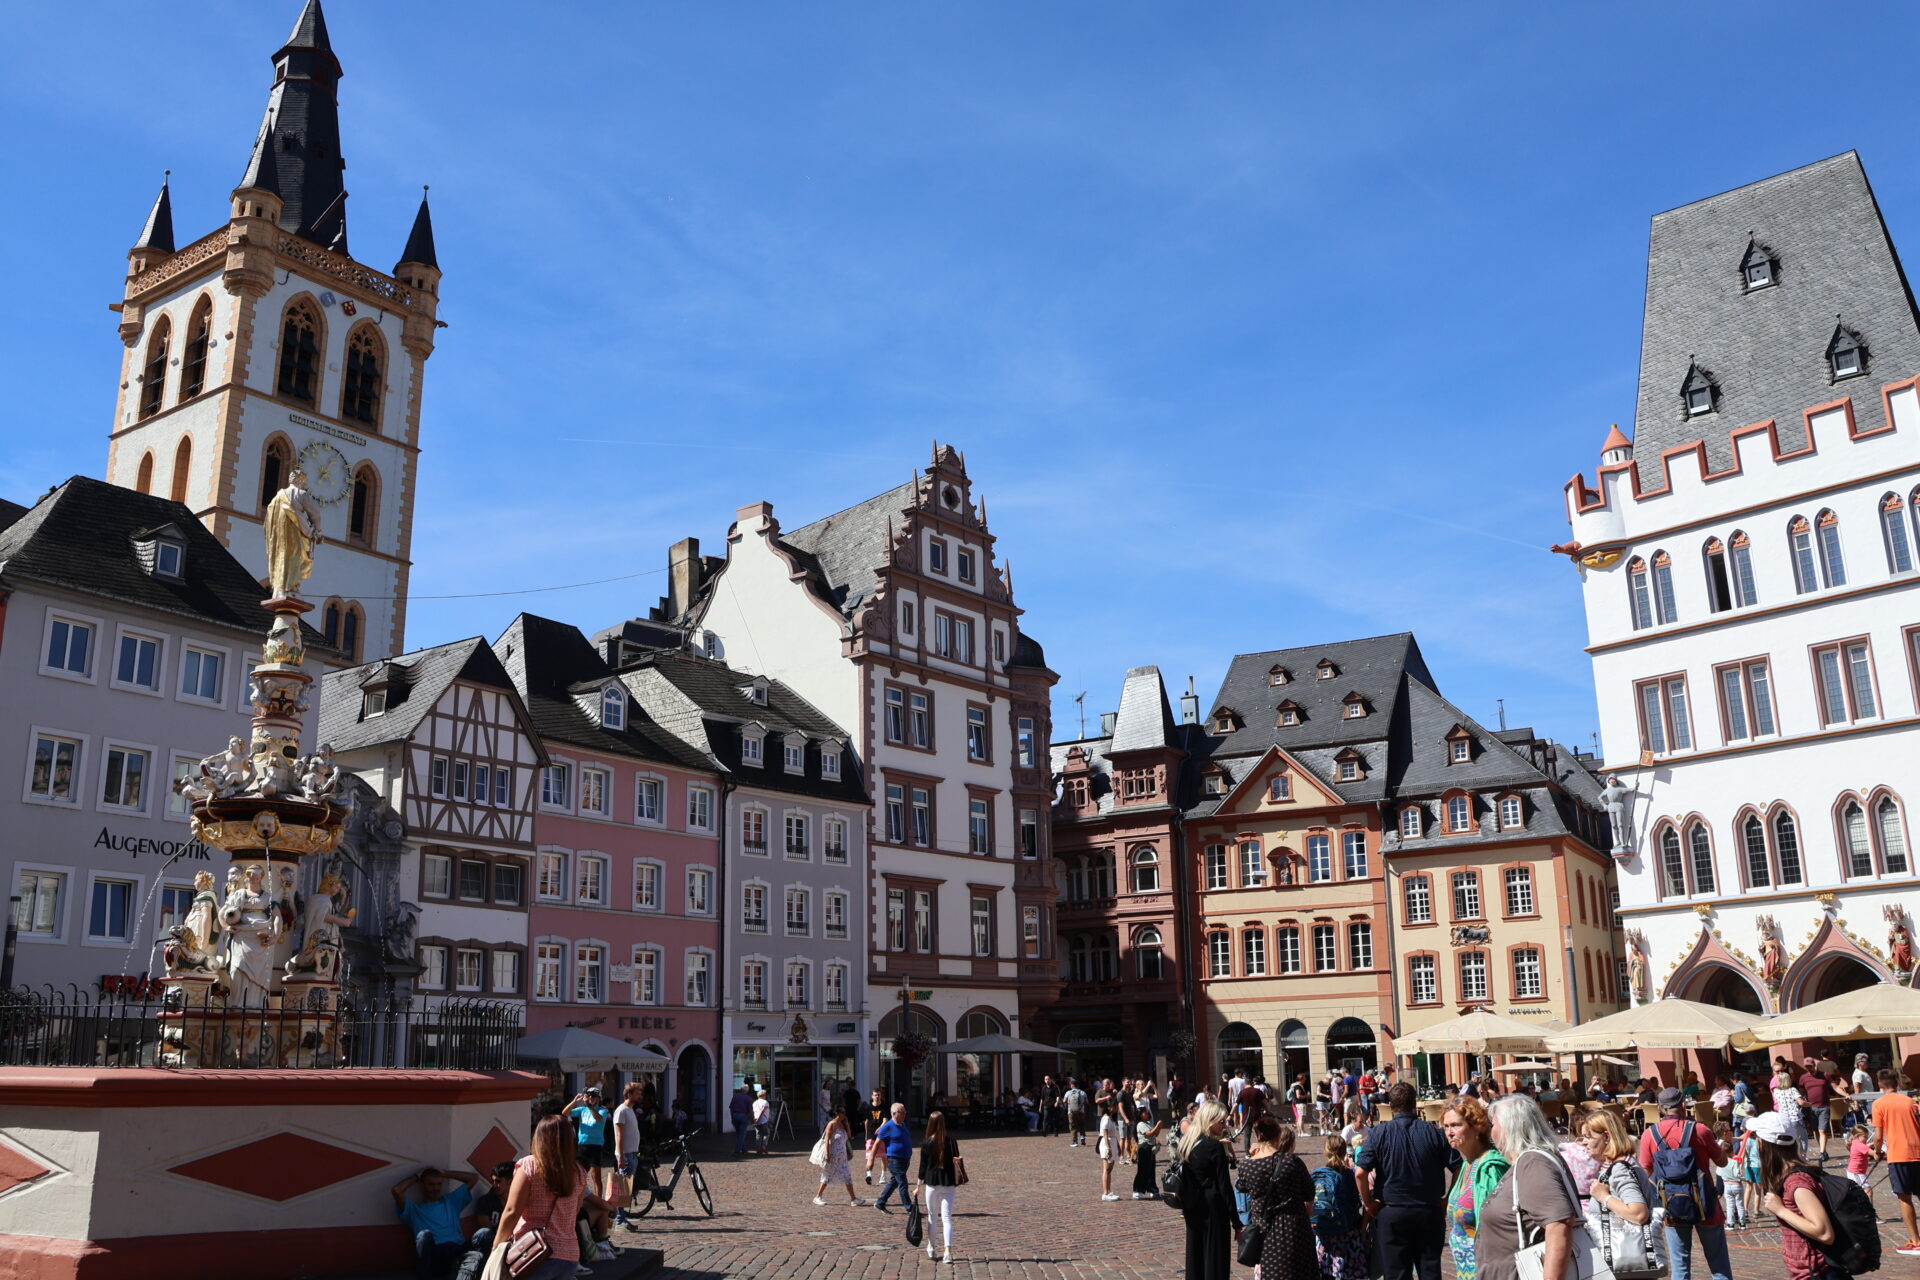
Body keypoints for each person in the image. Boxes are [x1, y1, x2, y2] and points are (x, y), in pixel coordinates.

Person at [1474, 1095, 1585, 1280]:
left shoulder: (1533, 1163)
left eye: (1494, 1125)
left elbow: (1559, 1224)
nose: (1491, 1131)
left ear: (1510, 1127)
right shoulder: (1527, 1162)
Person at [1356, 1081, 1456, 1280]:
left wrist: (1368, 1203)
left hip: (1392, 1211)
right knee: (1430, 1271)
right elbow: (1459, 1166)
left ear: (1391, 1107)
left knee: (1396, 1273)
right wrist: (1448, 1197)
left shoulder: (1378, 1134)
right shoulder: (1434, 1133)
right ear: (1415, 1105)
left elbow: (1360, 1172)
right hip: (1428, 1210)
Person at [1637, 1085, 1731, 1280]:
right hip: (1705, 1203)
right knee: (1718, 1264)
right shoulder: (1700, 1130)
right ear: (1683, 1105)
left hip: (1672, 1203)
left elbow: (1645, 1171)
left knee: (1680, 1266)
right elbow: (1722, 1161)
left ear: (1661, 1108)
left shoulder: (1649, 1134)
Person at [485, 1116, 590, 1280]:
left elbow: (512, 1211)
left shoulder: (529, 1166)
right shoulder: (579, 1172)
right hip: (569, 1254)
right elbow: (573, 1214)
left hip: (533, 1253)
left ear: (539, 1137)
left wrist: (496, 1248)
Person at [1746, 1111, 1839, 1280]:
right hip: (1807, 1272)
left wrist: (1781, 1210)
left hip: (1817, 1272)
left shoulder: (1796, 1182)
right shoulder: (1787, 1177)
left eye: (1755, 1138)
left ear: (1762, 1143)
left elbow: (1825, 1233)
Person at [1236, 1116, 1316, 1280]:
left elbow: (1241, 1186)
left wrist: (1251, 1156)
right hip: (1294, 1225)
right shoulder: (1291, 1162)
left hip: (1265, 1229)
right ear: (1278, 1136)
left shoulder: (1247, 1166)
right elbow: (1308, 1191)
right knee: (1301, 1272)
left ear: (1258, 1137)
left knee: (1273, 1273)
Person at [1583, 1108, 1661, 1274]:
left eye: (1588, 1137)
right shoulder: (1622, 1163)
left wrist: (1604, 1197)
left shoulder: (1620, 1169)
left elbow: (1639, 1213)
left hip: (1625, 1260)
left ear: (1606, 1137)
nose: (1584, 1142)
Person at [1442, 1097, 1510, 1280]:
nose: (1449, 1132)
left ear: (1476, 1126)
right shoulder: (1467, 1164)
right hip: (1466, 1271)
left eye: (1455, 1125)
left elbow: (1500, 1226)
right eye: (1446, 1126)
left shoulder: (1490, 1167)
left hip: (1487, 1271)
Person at [1178, 1101, 1241, 1280]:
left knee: (1195, 1254)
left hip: (1192, 1205)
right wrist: (1236, 1222)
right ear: (1210, 1120)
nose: (1224, 1126)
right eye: (1221, 1122)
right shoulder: (1214, 1147)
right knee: (1216, 1258)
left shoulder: (1188, 1142)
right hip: (1213, 1208)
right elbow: (1225, 1187)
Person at [391, 1165, 483, 1280]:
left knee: (484, 1233)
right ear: (422, 1185)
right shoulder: (414, 1210)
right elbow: (396, 1190)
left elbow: (473, 1178)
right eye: (431, 1184)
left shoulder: (451, 1201)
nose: (435, 1188)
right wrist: (417, 1176)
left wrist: (445, 1173)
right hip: (435, 1255)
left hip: (456, 1251)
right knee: (424, 1235)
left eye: (439, 1184)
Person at [1871, 1067, 1920, 1255]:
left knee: (1904, 1196)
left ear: (1880, 1084)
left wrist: (1877, 1151)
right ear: (1897, 1083)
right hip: (1917, 1150)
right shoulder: (1910, 1101)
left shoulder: (1879, 1104)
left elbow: (1877, 1136)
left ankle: (1915, 1240)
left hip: (1899, 1154)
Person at [1313, 1133, 1370, 1278]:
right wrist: (1363, 1230)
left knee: (1325, 1274)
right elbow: (1365, 1203)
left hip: (1324, 1234)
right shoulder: (1351, 1175)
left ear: (1325, 1151)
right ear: (1345, 1151)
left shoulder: (1317, 1175)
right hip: (1349, 1234)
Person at [918, 1110, 963, 1264]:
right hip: (948, 1182)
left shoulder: (926, 1143)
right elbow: (957, 1161)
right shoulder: (951, 1141)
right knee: (947, 1218)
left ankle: (931, 1247)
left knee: (932, 1217)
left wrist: (917, 1186)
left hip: (931, 1183)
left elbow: (922, 1168)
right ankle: (948, 1252)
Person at [567, 1087, 613, 1198]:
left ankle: (598, 1200)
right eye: (589, 1096)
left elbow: (599, 1119)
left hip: (595, 1146)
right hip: (582, 1146)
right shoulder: (582, 1110)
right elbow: (565, 1112)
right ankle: (579, 1199)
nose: (591, 1098)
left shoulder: (603, 1110)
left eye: (594, 1096)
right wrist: (575, 1101)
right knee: (579, 1176)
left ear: (598, 1098)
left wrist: (589, 1106)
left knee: (596, 1176)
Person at [812, 1108, 864, 1206]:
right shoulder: (832, 1124)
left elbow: (849, 1136)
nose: (845, 1114)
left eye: (845, 1112)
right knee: (826, 1177)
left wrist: (847, 1124)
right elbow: (827, 1139)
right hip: (833, 1156)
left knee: (847, 1176)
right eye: (843, 1113)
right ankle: (817, 1197)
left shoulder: (842, 1124)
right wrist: (827, 1154)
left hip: (842, 1158)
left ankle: (853, 1199)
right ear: (837, 1114)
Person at [610, 1082, 644, 1230]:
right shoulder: (621, 1111)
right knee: (623, 1189)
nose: (640, 1096)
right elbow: (619, 1135)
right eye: (637, 1093)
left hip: (632, 1154)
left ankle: (621, 1218)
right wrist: (621, 1156)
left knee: (625, 1189)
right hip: (626, 1154)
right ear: (629, 1095)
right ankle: (619, 1220)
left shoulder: (630, 1110)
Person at [872, 1102, 914, 1212]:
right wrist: (870, 1160)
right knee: (903, 1183)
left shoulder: (903, 1124)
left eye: (905, 1112)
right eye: (902, 1112)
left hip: (904, 1159)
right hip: (894, 1160)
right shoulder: (887, 1127)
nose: (905, 1114)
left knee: (894, 1182)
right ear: (894, 1113)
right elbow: (876, 1144)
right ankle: (909, 1207)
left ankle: (880, 1202)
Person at [1712, 1121, 1747, 1228]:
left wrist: (1749, 1130)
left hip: (1730, 1173)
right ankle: (1714, 1211)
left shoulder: (1730, 1140)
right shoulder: (1719, 1144)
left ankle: (1735, 1215)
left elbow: (1741, 1138)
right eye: (1730, 1131)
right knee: (1719, 1193)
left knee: (1731, 1196)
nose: (1732, 1132)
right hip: (1722, 1174)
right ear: (1724, 1133)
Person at [1797, 1059, 1833, 1158]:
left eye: (1810, 1066)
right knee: (1816, 1130)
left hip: (1824, 1107)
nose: (1808, 1068)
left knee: (1822, 1130)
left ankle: (1822, 1152)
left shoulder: (1825, 1075)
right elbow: (1801, 1092)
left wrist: (1845, 1094)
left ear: (1814, 1065)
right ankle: (1822, 1149)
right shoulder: (1803, 1078)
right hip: (1811, 1108)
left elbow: (1835, 1086)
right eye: (1806, 1066)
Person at [1134, 1107, 1167, 1199]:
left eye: (1147, 1113)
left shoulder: (1148, 1123)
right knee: (1143, 1170)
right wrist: (1157, 1126)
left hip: (1150, 1147)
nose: (1147, 1114)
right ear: (1140, 1115)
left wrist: (1159, 1127)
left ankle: (1152, 1190)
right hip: (1144, 1146)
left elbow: (1155, 1133)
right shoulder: (1140, 1124)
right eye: (1145, 1113)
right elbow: (1149, 1133)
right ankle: (1138, 1190)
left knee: (1151, 1170)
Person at [729, 1083, 754, 1156]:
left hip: (735, 1115)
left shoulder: (735, 1096)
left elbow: (731, 1108)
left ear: (741, 1090)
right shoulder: (748, 1098)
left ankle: (744, 1149)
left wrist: (732, 1117)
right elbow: (750, 1110)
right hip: (743, 1116)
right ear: (747, 1091)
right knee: (742, 1134)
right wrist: (753, 1118)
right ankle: (737, 1150)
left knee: (739, 1133)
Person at [1847, 1124, 1874, 1190]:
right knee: (1867, 1190)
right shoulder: (1860, 1145)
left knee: (1861, 1191)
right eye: (1865, 1137)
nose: (1867, 1139)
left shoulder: (1855, 1142)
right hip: (1856, 1172)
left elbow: (1862, 1147)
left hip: (1856, 1172)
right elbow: (1874, 1154)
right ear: (1857, 1136)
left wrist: (1869, 1145)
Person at [1064, 1078, 1089, 1147]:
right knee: (1081, 1125)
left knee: (1073, 1126)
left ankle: (1075, 1141)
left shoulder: (1068, 1092)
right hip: (1081, 1111)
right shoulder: (1082, 1092)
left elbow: (1064, 1101)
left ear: (1072, 1085)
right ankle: (1083, 1139)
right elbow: (1087, 1102)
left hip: (1071, 1112)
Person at [751, 1086, 772, 1154]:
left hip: (756, 1121)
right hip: (763, 1121)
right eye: (765, 1094)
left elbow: (753, 1112)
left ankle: (758, 1148)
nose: (766, 1096)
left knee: (758, 1134)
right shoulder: (765, 1102)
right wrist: (758, 1119)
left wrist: (754, 1119)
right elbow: (762, 1111)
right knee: (766, 1133)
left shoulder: (754, 1103)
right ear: (763, 1095)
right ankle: (763, 1146)